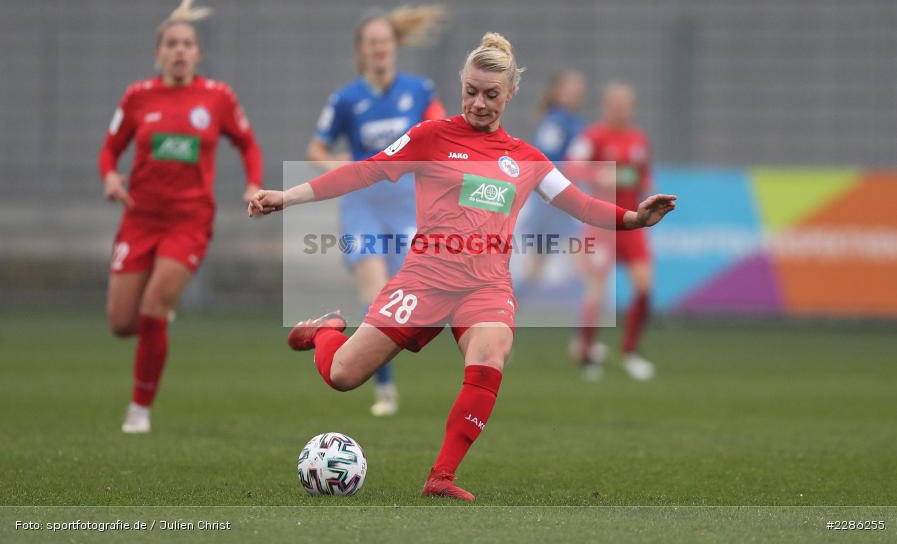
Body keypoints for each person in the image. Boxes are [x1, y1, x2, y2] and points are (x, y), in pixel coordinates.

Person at [250, 33, 675, 500]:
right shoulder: (430, 137)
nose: (478, 103)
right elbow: (363, 170)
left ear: (510, 93)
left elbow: (581, 204)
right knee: (343, 376)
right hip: (425, 279)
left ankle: (441, 477)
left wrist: (634, 219)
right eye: (471, 91)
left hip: (485, 286)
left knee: (492, 353)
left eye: (491, 94)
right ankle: (325, 332)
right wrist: (287, 197)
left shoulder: (527, 159)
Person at [98, 0, 263, 433]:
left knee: (154, 306)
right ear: (158, 53)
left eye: (186, 44)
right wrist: (111, 177)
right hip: (139, 219)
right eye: (171, 44)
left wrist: (252, 183)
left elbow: (247, 143)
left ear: (197, 53)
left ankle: (139, 411)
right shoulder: (137, 97)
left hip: (189, 221)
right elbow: (109, 150)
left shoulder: (216, 98)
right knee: (120, 323)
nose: (179, 51)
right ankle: (159, 325)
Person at [306, 5, 446, 417]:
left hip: (406, 207)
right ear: (361, 50)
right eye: (372, 43)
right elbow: (316, 149)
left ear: (393, 46)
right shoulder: (346, 99)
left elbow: (440, 135)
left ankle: (368, 364)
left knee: (407, 301)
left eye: (384, 41)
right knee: (374, 293)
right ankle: (384, 390)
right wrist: (345, 172)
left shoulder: (419, 90)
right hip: (362, 208)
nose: (379, 49)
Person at [567, 82, 656, 381]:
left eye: (625, 105)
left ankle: (630, 350)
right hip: (602, 222)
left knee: (644, 286)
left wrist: (647, 187)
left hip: (632, 223)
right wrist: (599, 173)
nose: (620, 110)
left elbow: (643, 175)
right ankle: (587, 353)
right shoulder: (593, 136)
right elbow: (572, 167)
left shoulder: (638, 139)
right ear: (606, 106)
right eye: (615, 105)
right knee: (596, 289)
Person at [517, 71, 586, 286]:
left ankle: (506, 309)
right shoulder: (555, 121)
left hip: (560, 198)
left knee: (537, 267)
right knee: (579, 258)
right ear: (556, 92)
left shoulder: (572, 121)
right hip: (553, 200)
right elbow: (547, 158)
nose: (574, 94)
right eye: (569, 89)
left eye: (577, 90)